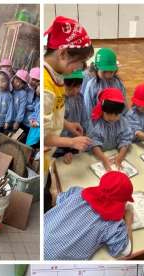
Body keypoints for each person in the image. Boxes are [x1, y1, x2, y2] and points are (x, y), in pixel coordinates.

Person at [44, 16, 94, 194]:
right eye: (80, 62)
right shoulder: (46, 88)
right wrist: (71, 142)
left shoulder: (55, 74)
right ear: (63, 53)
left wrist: (66, 124)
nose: (81, 68)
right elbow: (43, 136)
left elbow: (53, 112)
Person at [44, 171, 134, 260]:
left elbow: (58, 201)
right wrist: (128, 221)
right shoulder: (112, 224)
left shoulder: (77, 192)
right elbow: (127, 252)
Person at [87, 88, 132, 171]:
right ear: (102, 109)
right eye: (108, 114)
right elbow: (94, 143)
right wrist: (103, 158)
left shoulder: (122, 122)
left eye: (116, 114)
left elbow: (125, 139)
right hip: (97, 156)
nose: (112, 118)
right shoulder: (95, 123)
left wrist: (120, 156)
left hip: (114, 153)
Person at [56, 69, 90, 164]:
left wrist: (85, 133)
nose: (75, 91)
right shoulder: (58, 99)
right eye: (69, 88)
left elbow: (84, 118)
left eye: (78, 87)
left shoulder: (80, 97)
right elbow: (56, 126)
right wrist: (66, 149)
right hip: (60, 146)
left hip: (76, 142)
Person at [84, 48, 127, 117]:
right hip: (97, 121)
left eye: (111, 72)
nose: (108, 75)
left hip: (116, 119)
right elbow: (88, 108)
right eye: (104, 72)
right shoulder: (91, 86)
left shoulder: (118, 83)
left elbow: (123, 104)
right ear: (96, 68)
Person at [23, 66, 41, 139]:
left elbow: (38, 106)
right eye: (33, 79)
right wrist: (31, 107)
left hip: (31, 123)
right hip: (22, 119)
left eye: (37, 81)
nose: (34, 82)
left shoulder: (38, 92)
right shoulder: (25, 88)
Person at [26, 83, 40, 148]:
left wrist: (37, 123)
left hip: (39, 129)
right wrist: (31, 119)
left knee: (34, 145)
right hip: (33, 128)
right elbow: (35, 112)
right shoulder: (39, 102)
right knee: (29, 144)